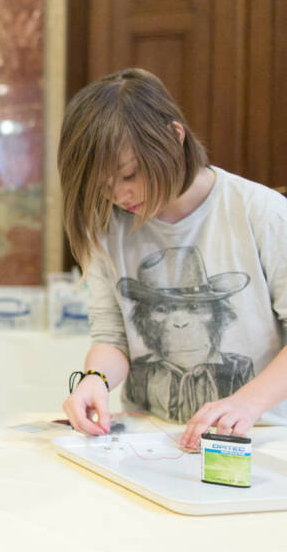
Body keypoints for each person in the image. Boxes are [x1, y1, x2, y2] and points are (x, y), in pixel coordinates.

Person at [58, 67, 287, 448]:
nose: (119, 195)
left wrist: (245, 404)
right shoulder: (107, 228)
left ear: (174, 136)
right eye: (103, 185)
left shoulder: (260, 213)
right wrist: (94, 381)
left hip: (260, 439)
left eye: (129, 174)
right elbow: (113, 337)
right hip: (152, 439)